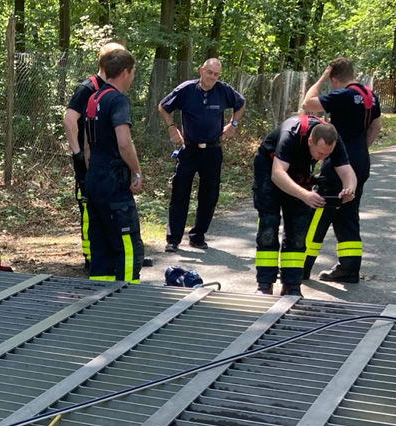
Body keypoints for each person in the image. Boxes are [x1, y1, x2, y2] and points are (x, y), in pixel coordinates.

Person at [251, 115, 356, 296]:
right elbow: (277, 174)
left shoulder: (332, 139)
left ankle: (292, 285)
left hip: (299, 171)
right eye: (320, 154)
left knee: (298, 229)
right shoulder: (291, 133)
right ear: (310, 141)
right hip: (269, 168)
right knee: (269, 224)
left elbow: (347, 171)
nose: (323, 158)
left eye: (328, 155)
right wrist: (304, 194)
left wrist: (349, 190)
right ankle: (264, 284)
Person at [300, 57, 382, 283]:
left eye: (331, 81)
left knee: (318, 211)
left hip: (338, 161)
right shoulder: (370, 95)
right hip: (361, 159)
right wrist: (359, 150)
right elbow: (376, 126)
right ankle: (349, 268)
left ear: (335, 79)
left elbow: (307, 104)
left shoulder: (342, 95)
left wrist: (321, 78)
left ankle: (301, 267)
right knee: (348, 213)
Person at [158, 58, 246, 251]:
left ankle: (198, 236)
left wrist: (233, 124)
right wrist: (171, 127)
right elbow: (163, 107)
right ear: (201, 71)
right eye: (209, 73)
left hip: (213, 150)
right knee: (180, 193)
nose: (212, 77)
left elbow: (240, 104)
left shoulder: (223, 90)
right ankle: (173, 239)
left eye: (216, 74)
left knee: (209, 196)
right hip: (188, 149)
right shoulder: (186, 90)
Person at [84, 48, 145, 283]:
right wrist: (136, 172)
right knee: (128, 245)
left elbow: (87, 145)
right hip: (113, 178)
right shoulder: (117, 100)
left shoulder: (94, 98)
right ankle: (129, 299)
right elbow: (124, 142)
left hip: (95, 176)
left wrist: (94, 174)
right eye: (132, 72)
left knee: (101, 245)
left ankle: (100, 297)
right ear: (125, 72)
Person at [63, 42, 126, 269]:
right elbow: (70, 120)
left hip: (105, 162)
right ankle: (91, 257)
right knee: (90, 208)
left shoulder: (111, 90)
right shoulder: (87, 88)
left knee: (110, 207)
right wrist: (78, 153)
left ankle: (111, 252)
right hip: (88, 162)